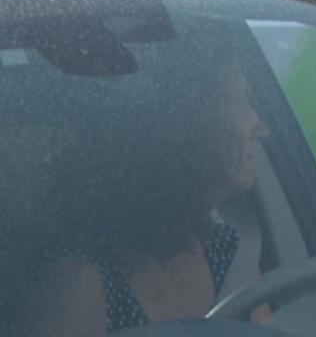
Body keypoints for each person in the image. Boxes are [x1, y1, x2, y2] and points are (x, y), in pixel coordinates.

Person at [28, 52, 270, 336]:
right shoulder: (82, 284)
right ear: (190, 125)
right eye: (242, 105)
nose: (261, 128)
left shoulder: (234, 256)